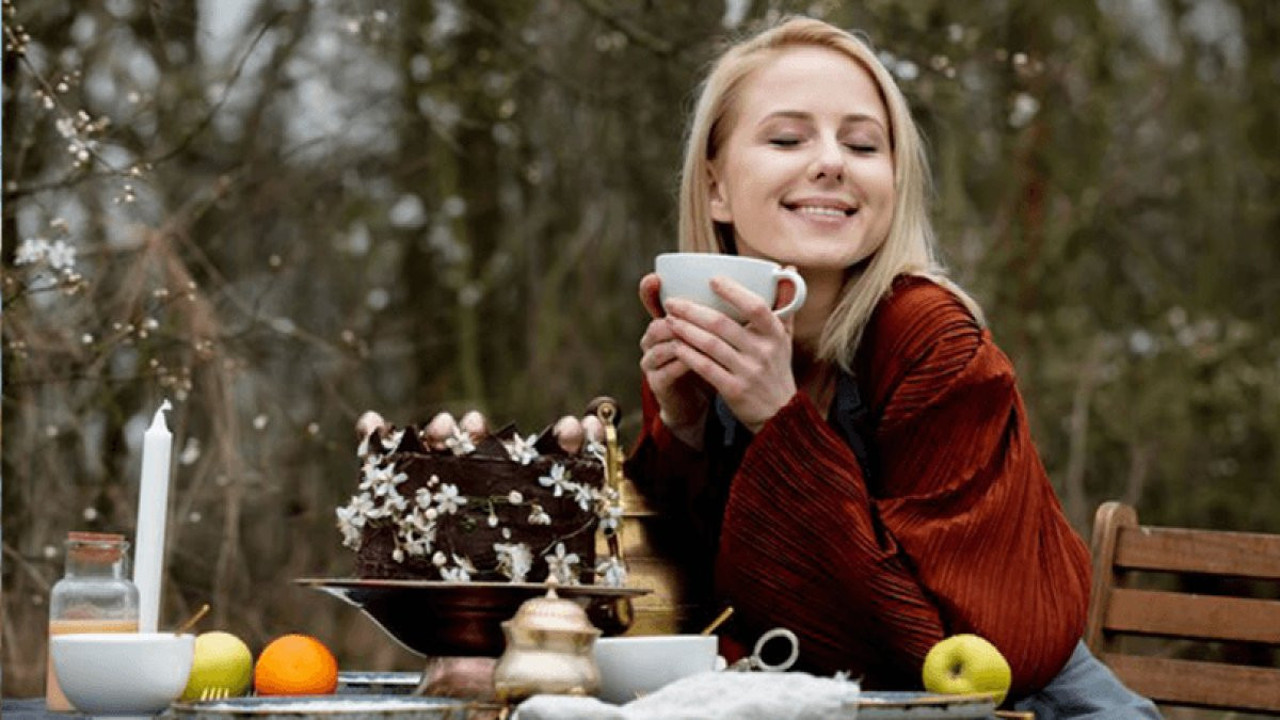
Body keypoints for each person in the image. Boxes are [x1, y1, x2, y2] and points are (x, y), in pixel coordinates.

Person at [620, 16, 1162, 719]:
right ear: (716, 187)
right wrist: (682, 437)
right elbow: (674, 616)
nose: (831, 162)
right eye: (787, 138)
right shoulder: (716, 338)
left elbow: (935, 654)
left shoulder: (934, 344)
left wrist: (778, 423)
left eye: (863, 144)